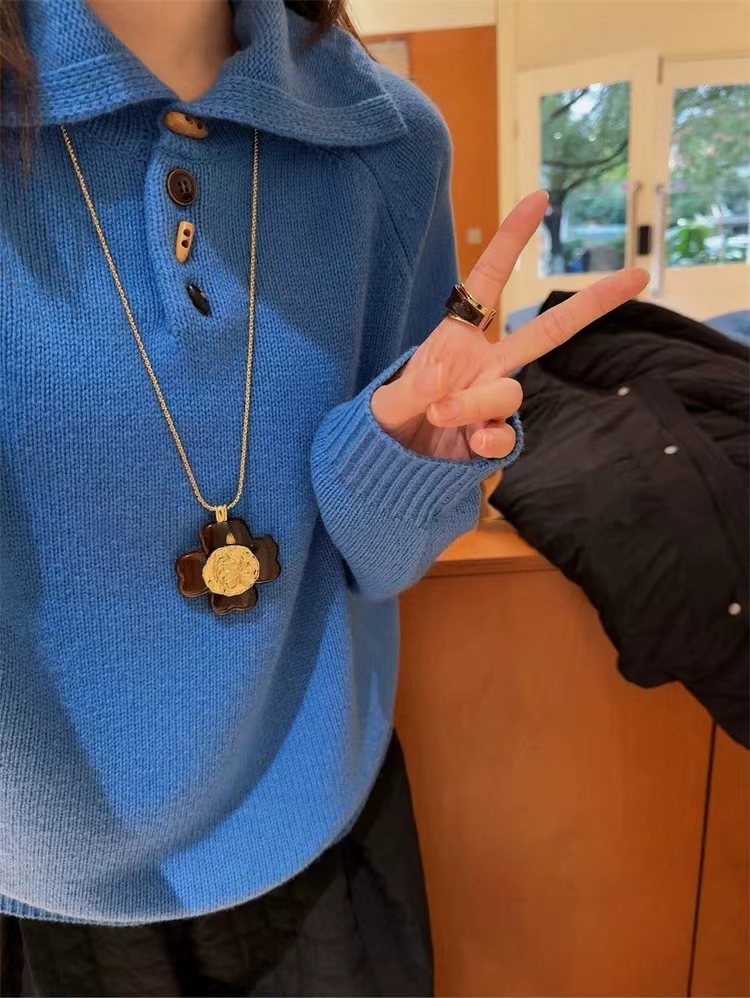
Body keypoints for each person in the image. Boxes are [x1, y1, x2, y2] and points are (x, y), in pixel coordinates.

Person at [0, 0, 648, 994]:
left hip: (315, 841)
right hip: (34, 886)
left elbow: (372, 564)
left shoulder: (387, 140)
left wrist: (401, 462)